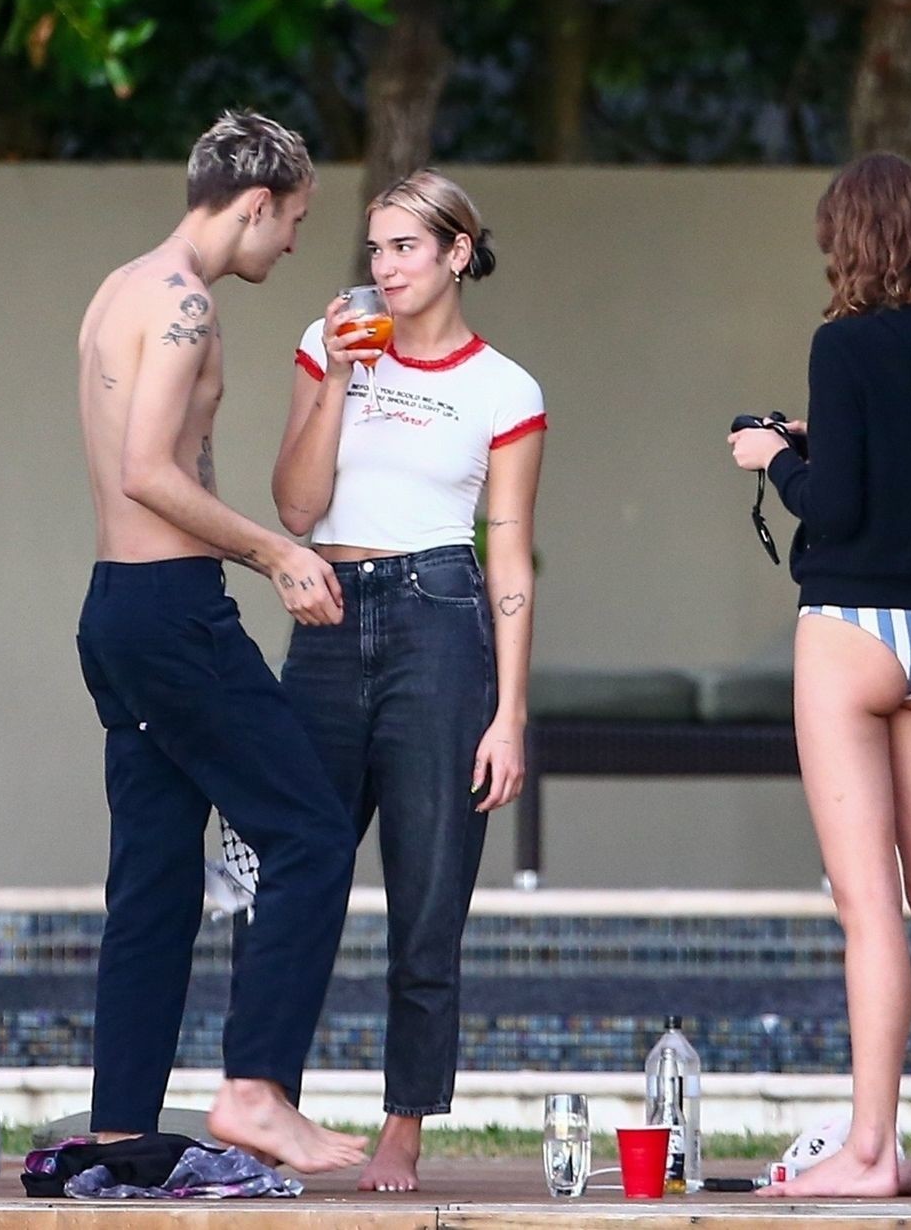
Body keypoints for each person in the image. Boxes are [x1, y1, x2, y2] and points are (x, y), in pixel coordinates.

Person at [73, 110, 366, 1174]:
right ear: (256, 204)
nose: (290, 243)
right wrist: (277, 552)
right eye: (292, 221)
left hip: (117, 608)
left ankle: (120, 1133)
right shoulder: (185, 305)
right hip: (172, 613)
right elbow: (150, 471)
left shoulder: (120, 289)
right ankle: (255, 1087)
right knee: (312, 835)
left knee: (154, 877)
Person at [728, 152, 911, 1199]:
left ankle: (871, 1151)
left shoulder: (842, 343)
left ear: (847, 241)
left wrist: (775, 459)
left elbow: (834, 507)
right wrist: (825, 443)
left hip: (851, 631)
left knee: (869, 908)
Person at [271, 169, 546, 1192]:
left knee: (429, 894)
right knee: (290, 873)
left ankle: (404, 1125)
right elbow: (295, 508)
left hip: (441, 620)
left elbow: (508, 554)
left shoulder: (505, 389)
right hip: (329, 617)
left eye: (406, 248)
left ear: (457, 254)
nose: (384, 268)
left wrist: (510, 714)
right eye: (376, 248)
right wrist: (339, 380)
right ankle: (269, 1100)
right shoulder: (330, 340)